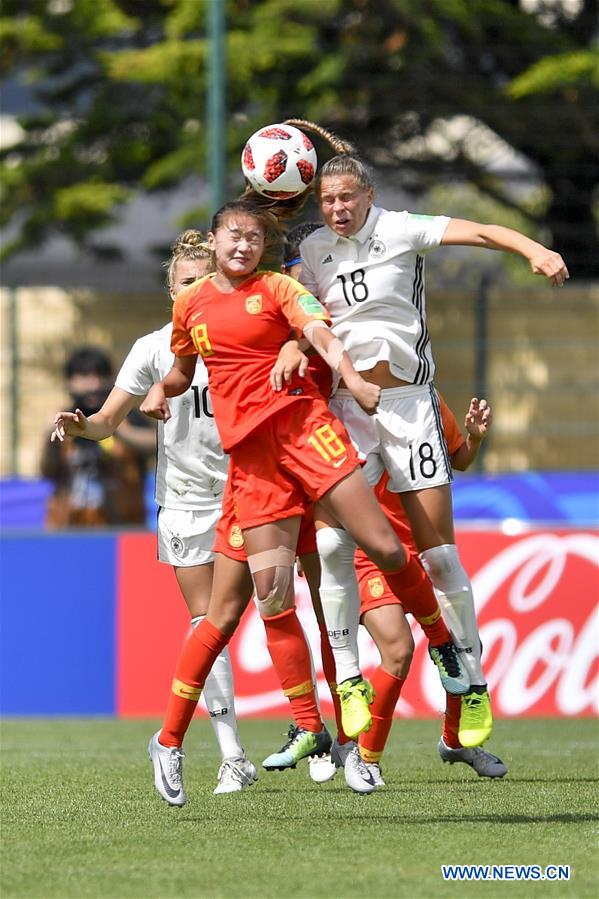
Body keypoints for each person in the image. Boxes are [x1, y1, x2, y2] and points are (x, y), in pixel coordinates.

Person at [140, 197, 468, 803]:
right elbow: (183, 372)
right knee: (250, 605)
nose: (244, 247)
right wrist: (160, 392)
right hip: (256, 466)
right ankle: (171, 741)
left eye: (255, 239)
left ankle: (445, 648)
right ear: (214, 241)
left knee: (383, 544)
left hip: (305, 432)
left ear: (265, 246)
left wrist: (355, 374)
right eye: (234, 237)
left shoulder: (280, 289)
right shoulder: (191, 305)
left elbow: (319, 330)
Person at [287, 116, 569, 750]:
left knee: (441, 555)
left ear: (367, 197)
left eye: (345, 199)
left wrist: (534, 249)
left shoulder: (402, 229)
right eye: (327, 200)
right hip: (346, 410)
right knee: (331, 548)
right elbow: (276, 291)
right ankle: (349, 681)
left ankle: (471, 682)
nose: (336, 209)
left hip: (411, 406)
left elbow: (481, 229)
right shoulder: (309, 250)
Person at [50, 231, 258, 795]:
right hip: (188, 503)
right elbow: (107, 423)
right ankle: (232, 753)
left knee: (287, 604)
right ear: (171, 290)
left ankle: (322, 733)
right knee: (207, 626)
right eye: (185, 282)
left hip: (251, 494)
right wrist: (82, 425)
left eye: (205, 280)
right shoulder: (152, 349)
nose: (195, 291)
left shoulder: (243, 336)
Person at [42, 346, 155, 528]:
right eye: (85, 376)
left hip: (123, 529)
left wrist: (111, 426)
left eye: (100, 376)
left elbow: (157, 444)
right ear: (70, 381)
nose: (94, 384)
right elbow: (47, 471)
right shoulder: (64, 420)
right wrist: (48, 435)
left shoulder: (127, 417)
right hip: (69, 528)